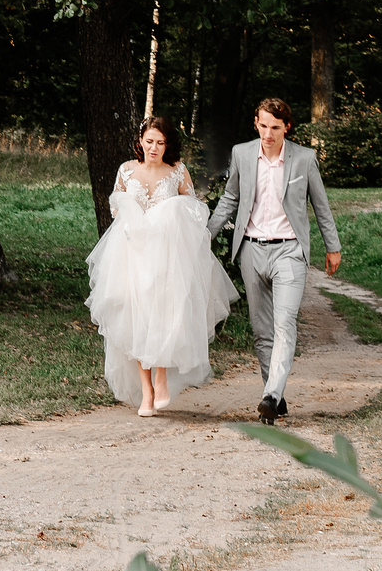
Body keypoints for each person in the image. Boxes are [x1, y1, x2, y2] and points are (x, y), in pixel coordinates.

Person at [84, 115, 237, 416]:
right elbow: (117, 208)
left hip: (167, 256)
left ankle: (162, 376)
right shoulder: (127, 171)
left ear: (168, 144)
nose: (154, 147)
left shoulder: (177, 171)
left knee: (164, 315)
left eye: (160, 142)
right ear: (140, 141)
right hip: (133, 254)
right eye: (149, 141)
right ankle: (146, 390)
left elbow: (194, 211)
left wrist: (169, 217)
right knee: (135, 320)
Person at [206, 97, 341, 424]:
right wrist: (203, 237)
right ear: (256, 123)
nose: (268, 134)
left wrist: (332, 246)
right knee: (262, 331)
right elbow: (230, 200)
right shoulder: (241, 153)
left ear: (287, 128)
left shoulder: (304, 159)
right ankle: (274, 393)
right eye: (263, 126)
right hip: (251, 250)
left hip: (289, 252)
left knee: (284, 324)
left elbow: (321, 206)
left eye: (275, 128)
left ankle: (270, 395)